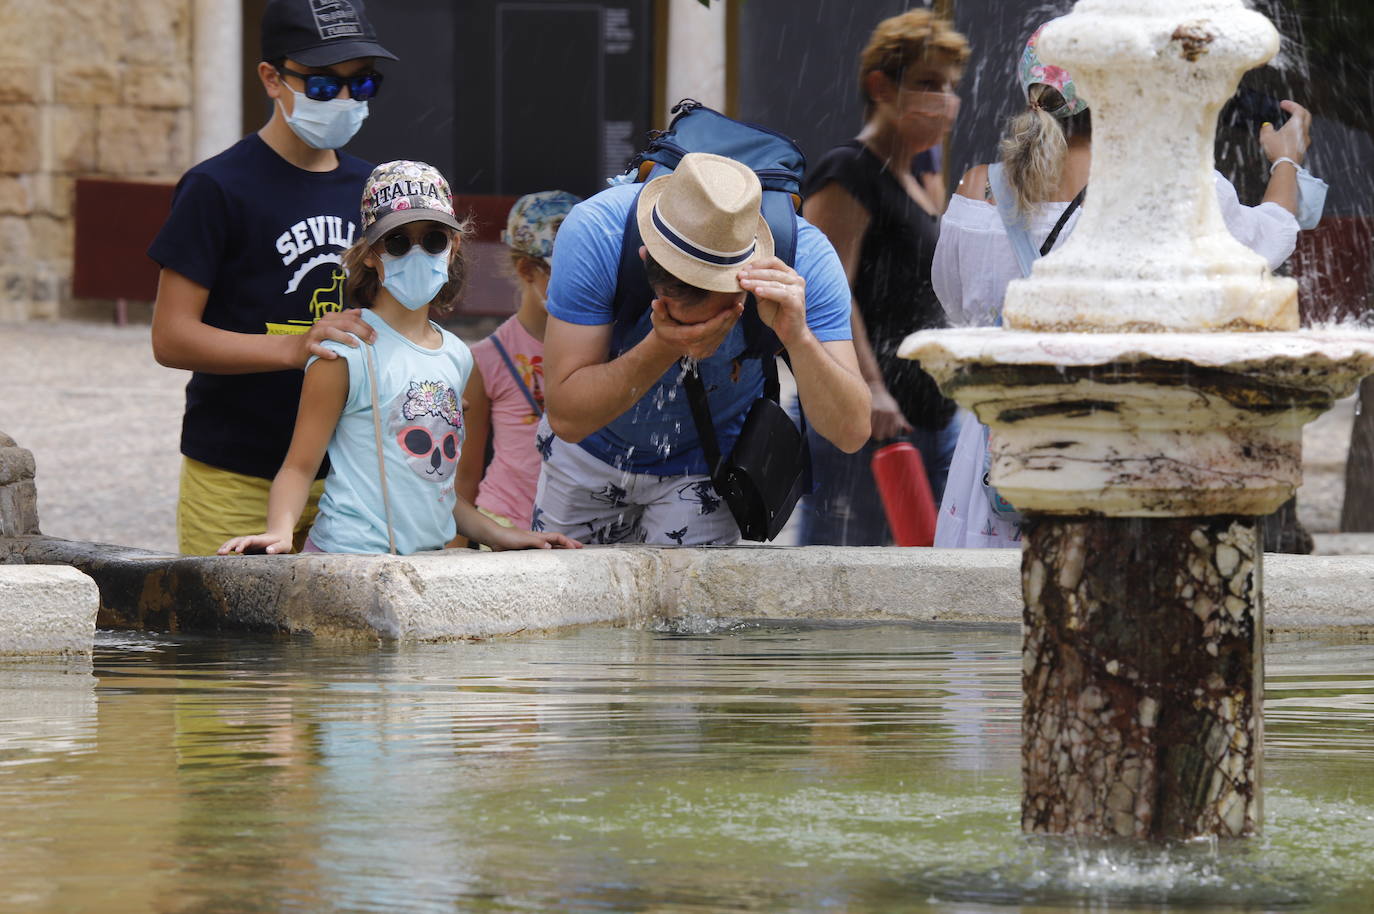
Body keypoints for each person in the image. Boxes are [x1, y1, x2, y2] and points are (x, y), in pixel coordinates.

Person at [934, 26, 1315, 549]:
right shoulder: (1173, 187)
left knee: (981, 624)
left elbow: (960, 309)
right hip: (1118, 456)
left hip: (998, 465)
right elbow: (1263, 245)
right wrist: (1286, 159)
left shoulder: (977, 189)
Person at [219, 161, 581, 556]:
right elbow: (299, 466)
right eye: (396, 241)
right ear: (371, 254)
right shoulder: (344, 351)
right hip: (347, 561)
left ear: (454, 245)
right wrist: (280, 531)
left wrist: (501, 534)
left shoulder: (458, 356)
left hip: (424, 568)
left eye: (433, 239)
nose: (416, 251)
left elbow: (437, 491)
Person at [149, 0, 394, 556]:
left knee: (343, 644)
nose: (347, 100)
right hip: (237, 473)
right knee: (226, 643)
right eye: (325, 87)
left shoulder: (372, 189)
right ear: (271, 79)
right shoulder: (216, 187)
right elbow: (171, 338)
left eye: (362, 85)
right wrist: (294, 348)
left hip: (352, 475)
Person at [535, 152, 871, 545]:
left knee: (688, 605)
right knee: (571, 603)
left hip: (709, 465)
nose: (698, 331)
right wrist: (663, 345)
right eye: (675, 312)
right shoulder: (598, 233)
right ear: (646, 257)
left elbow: (851, 432)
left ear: (745, 283)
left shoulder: (806, 260)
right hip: (589, 454)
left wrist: (797, 338)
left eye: (717, 314)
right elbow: (567, 419)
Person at [798, 9, 970, 545]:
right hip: (868, 422)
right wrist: (870, 388)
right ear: (880, 86)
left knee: (926, 578)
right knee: (844, 581)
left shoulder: (919, 177)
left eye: (949, 87)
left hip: (928, 415)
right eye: (926, 83)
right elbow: (830, 291)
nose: (943, 100)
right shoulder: (847, 171)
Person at [455, 191, 582, 540]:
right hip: (505, 523)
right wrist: (452, 553)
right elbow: (465, 476)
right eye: (569, 271)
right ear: (528, 269)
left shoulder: (602, 344)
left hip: (580, 525)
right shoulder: (486, 357)